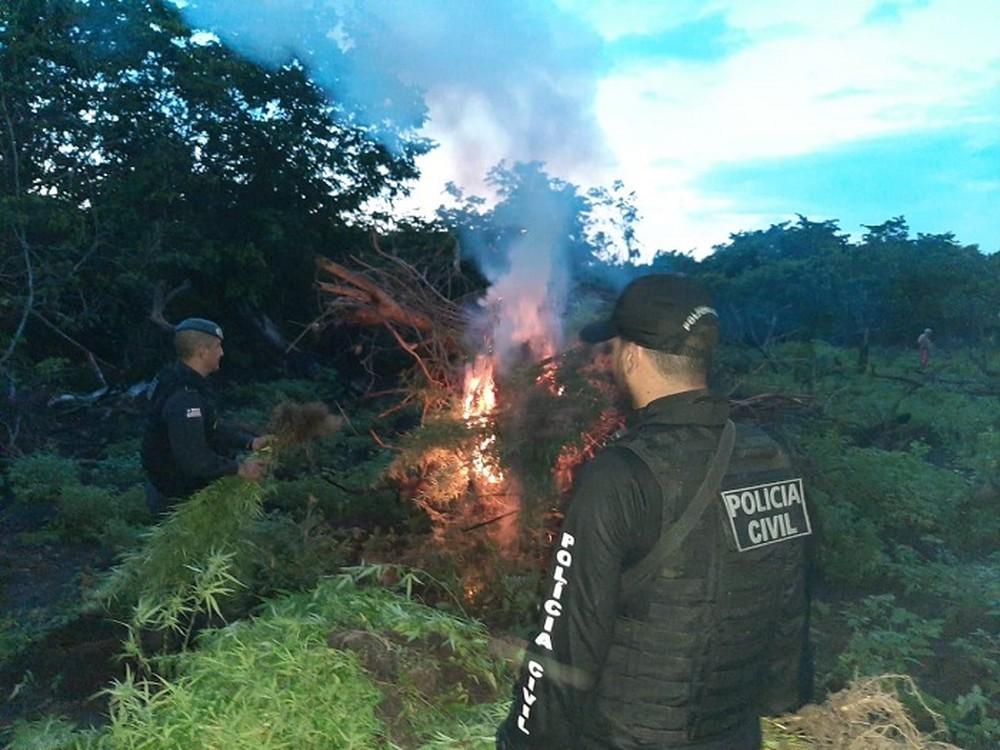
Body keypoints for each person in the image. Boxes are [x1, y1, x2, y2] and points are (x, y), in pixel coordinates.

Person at [496, 275, 813, 750]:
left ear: (632, 355)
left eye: (616, 347)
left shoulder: (621, 476)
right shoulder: (771, 457)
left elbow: (568, 638)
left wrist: (521, 741)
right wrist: (778, 701)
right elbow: (791, 601)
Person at [141, 318, 270, 517]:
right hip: (177, 501)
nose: (222, 352)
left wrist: (250, 443)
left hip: (175, 490)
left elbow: (209, 427)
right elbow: (194, 458)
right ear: (202, 351)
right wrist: (240, 469)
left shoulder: (175, 377)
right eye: (218, 347)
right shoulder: (184, 397)